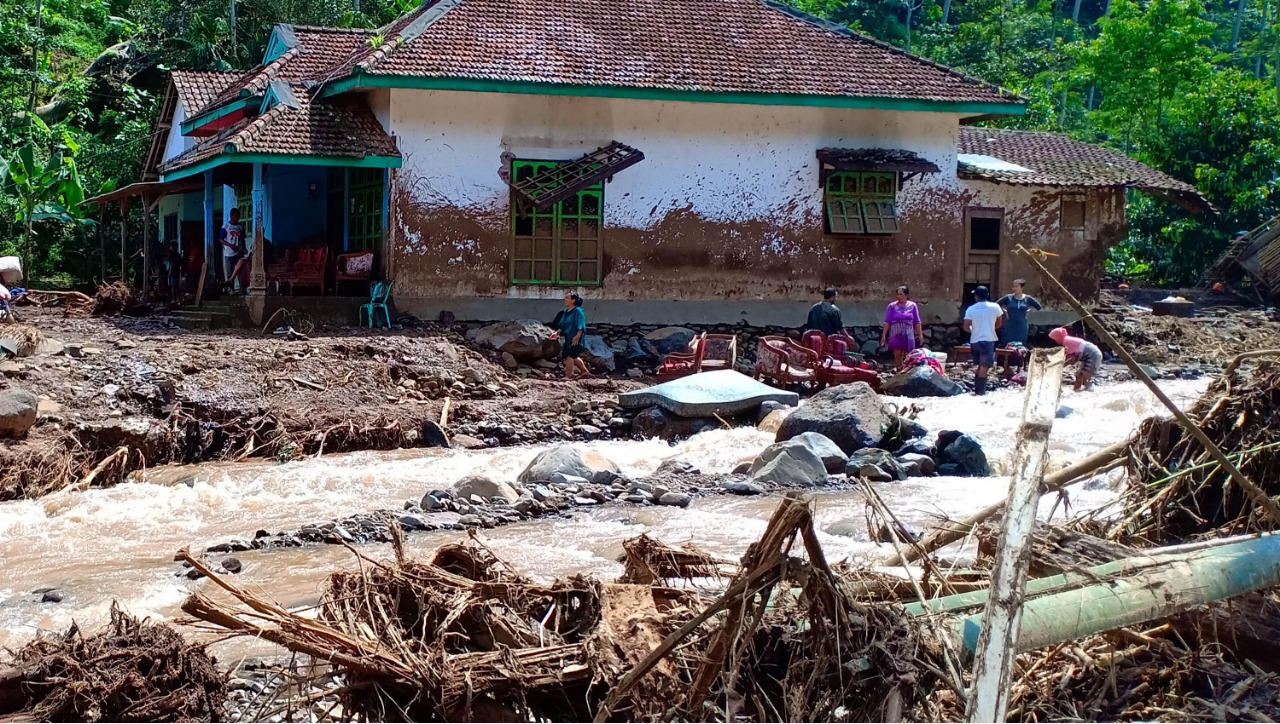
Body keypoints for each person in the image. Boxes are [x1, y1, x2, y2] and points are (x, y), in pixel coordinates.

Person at [962, 285, 1003, 395]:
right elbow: (999, 323)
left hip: (975, 341)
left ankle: (977, 389)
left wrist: (974, 331)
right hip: (988, 340)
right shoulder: (995, 307)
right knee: (984, 367)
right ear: (987, 295)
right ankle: (980, 393)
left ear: (976, 296)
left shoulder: (971, 309)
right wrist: (990, 328)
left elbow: (966, 327)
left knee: (981, 365)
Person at [880, 285, 924, 370]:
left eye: (901, 294)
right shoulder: (892, 306)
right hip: (896, 333)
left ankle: (907, 373)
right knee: (897, 355)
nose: (898, 296)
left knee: (910, 355)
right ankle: (899, 372)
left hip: (908, 333)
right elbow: (887, 322)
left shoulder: (913, 306)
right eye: (897, 294)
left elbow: (917, 322)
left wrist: (920, 335)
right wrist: (884, 336)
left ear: (906, 295)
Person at [1048, 327, 1103, 392]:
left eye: (1055, 339)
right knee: (1079, 375)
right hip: (1089, 355)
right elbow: (1071, 358)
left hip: (1093, 355)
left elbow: (1070, 358)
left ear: (1058, 337)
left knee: (1086, 377)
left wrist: (1059, 368)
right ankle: (1076, 391)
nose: (1055, 341)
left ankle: (1091, 393)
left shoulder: (1067, 342)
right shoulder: (1066, 340)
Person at [549, 292, 588, 380]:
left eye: (567, 298)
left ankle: (568, 376)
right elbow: (563, 326)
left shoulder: (578, 311)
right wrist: (556, 333)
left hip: (576, 338)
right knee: (571, 355)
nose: (565, 299)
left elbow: (581, 325)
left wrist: (578, 336)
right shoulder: (566, 312)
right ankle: (584, 371)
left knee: (570, 355)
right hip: (568, 337)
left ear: (573, 300)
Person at [996, 279, 1042, 347]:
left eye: (1016, 286)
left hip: (1021, 326)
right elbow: (995, 305)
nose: (1014, 288)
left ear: (1022, 287)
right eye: (1013, 286)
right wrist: (1003, 311)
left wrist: (1030, 310)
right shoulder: (1008, 298)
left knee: (1020, 346)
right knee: (1007, 345)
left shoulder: (1027, 298)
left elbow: (1039, 307)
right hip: (1009, 325)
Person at [219, 208, 245, 292]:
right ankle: (231, 291)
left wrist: (243, 247)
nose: (237, 217)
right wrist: (230, 245)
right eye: (236, 216)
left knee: (240, 271)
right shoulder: (226, 226)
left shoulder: (240, 227)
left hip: (239, 253)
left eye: (238, 216)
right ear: (231, 216)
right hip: (229, 253)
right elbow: (221, 239)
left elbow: (242, 239)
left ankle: (242, 290)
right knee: (230, 273)